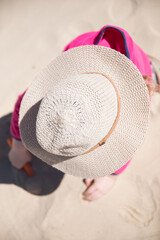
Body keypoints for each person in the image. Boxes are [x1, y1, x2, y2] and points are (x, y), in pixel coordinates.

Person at [8, 25, 160, 201]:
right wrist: (18, 145)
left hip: (138, 71)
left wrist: (111, 176)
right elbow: (24, 104)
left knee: (145, 73)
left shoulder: (136, 98)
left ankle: (150, 65)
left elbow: (130, 139)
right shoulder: (64, 82)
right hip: (87, 50)